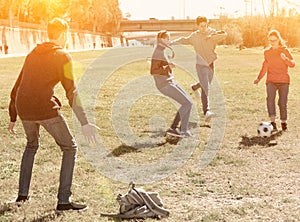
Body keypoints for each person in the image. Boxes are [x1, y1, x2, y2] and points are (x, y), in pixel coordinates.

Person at [8, 18, 99, 211]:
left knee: (31, 145)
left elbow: (18, 86)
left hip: (23, 107)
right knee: (70, 148)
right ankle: (63, 201)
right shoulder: (62, 55)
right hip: (43, 108)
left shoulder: (33, 53)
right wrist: (85, 122)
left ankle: (22, 196)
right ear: (63, 33)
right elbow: (71, 92)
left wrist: (13, 115)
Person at [172, 16, 227, 122]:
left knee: (206, 84)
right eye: (201, 26)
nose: (203, 28)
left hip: (210, 63)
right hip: (200, 65)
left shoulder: (212, 32)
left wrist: (210, 36)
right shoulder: (194, 36)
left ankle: (194, 87)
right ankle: (206, 111)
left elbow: (224, 34)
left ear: (207, 24)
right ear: (197, 26)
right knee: (205, 87)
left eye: (205, 25)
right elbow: (184, 40)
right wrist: (171, 42)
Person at [150, 30, 193, 138]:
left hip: (170, 81)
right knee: (187, 103)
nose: (169, 41)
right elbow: (153, 71)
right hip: (164, 84)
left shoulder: (162, 50)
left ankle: (173, 128)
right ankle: (183, 131)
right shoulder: (158, 52)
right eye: (167, 38)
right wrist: (167, 66)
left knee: (188, 102)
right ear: (161, 39)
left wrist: (168, 64)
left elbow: (162, 64)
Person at [254, 29, 295, 131]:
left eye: (274, 40)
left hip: (284, 81)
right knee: (270, 100)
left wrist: (285, 59)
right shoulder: (267, 52)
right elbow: (265, 67)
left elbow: (292, 64)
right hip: (271, 80)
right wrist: (259, 78)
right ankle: (273, 122)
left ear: (278, 40)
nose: (272, 43)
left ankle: (283, 122)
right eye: (270, 40)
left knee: (282, 102)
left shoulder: (284, 50)